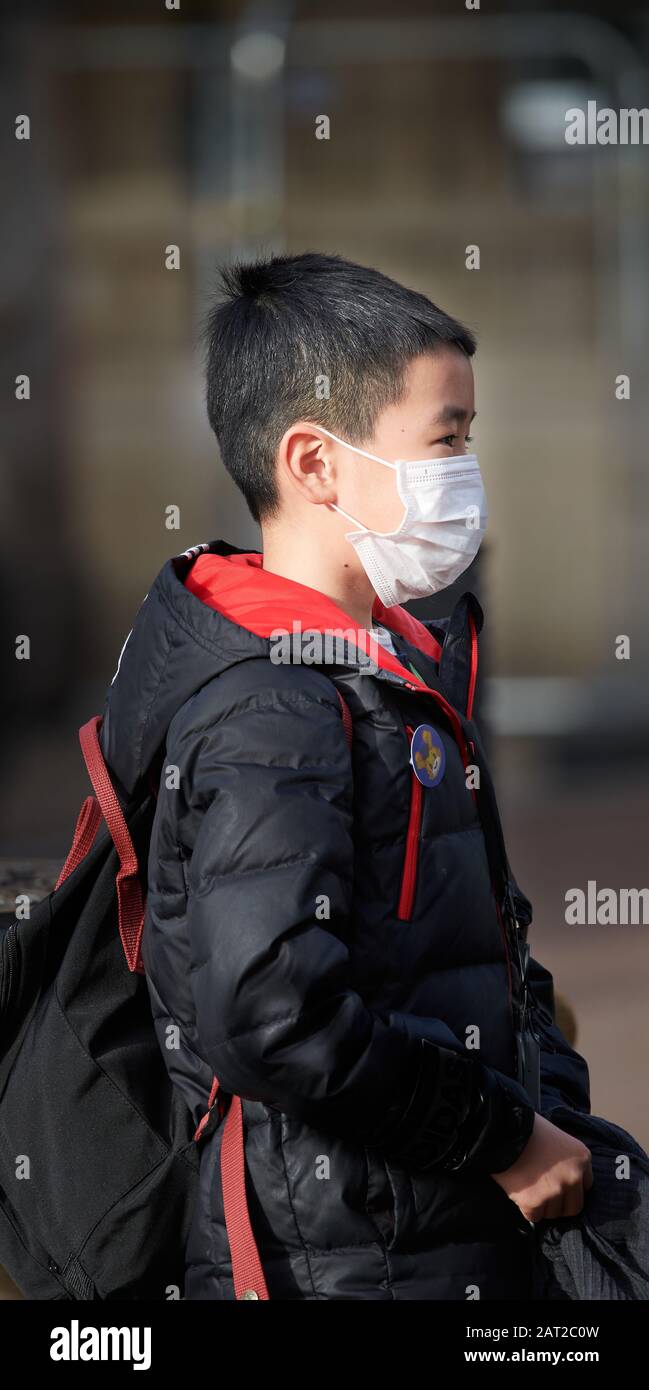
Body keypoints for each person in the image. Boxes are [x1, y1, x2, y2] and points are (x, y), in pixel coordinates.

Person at [100, 251, 593, 1300]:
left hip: (436, 1234)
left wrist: (553, 1098)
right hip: (341, 1265)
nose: (468, 471)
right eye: (446, 439)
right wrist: (505, 1135)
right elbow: (275, 1009)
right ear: (316, 464)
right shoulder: (268, 702)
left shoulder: (385, 664)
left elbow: (467, 939)